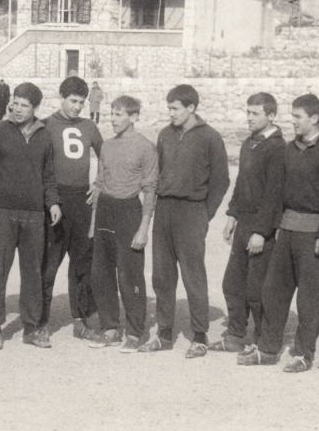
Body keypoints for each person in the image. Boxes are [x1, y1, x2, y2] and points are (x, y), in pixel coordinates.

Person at [238, 94, 319, 372]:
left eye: (298, 117)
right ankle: (269, 349)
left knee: (309, 298)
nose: (293, 121)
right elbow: (274, 194)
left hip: (313, 236)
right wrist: (263, 230)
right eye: (292, 116)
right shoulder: (288, 150)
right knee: (274, 293)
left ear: (315, 119)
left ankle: (303, 354)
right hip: (286, 232)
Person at [140, 84, 230, 358]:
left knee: (193, 275)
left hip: (192, 212)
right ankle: (163, 334)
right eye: (169, 108)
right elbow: (159, 174)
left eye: (175, 108)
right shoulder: (165, 134)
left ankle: (199, 336)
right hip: (165, 210)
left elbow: (221, 180)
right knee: (162, 276)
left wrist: (205, 214)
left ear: (191, 108)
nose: (171, 113)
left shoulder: (210, 137)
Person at [0, 82, 61, 350]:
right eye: (14, 102)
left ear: (35, 108)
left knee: (32, 274)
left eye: (24, 105)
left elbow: (49, 175)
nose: (17, 108)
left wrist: (53, 203)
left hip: (35, 215)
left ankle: (31, 328)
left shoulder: (45, 135)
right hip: (3, 213)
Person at [214, 92, 285, 353]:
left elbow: (274, 195)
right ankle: (234, 336)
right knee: (232, 283)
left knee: (257, 289)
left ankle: (262, 340)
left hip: (260, 228)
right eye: (248, 112)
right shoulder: (248, 143)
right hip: (243, 223)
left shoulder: (277, 148)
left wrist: (261, 231)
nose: (250, 118)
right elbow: (241, 183)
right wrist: (232, 216)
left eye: (255, 113)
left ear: (271, 115)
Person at [86, 96, 158, 351]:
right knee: (101, 273)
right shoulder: (106, 146)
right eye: (111, 114)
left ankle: (135, 332)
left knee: (129, 274)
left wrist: (143, 228)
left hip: (130, 212)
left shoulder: (146, 147)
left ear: (134, 117)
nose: (113, 119)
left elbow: (150, 190)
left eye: (119, 115)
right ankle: (110, 328)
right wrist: (94, 223)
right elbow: (99, 183)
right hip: (105, 209)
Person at [41, 76, 103, 341]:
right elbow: (39, 168)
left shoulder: (89, 126)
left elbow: (106, 156)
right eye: (73, 101)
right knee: (49, 263)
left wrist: (99, 183)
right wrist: (50, 198)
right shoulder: (45, 126)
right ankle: (39, 321)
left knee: (82, 262)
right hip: (56, 200)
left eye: (81, 102)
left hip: (82, 200)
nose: (77, 107)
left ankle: (80, 319)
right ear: (61, 98)